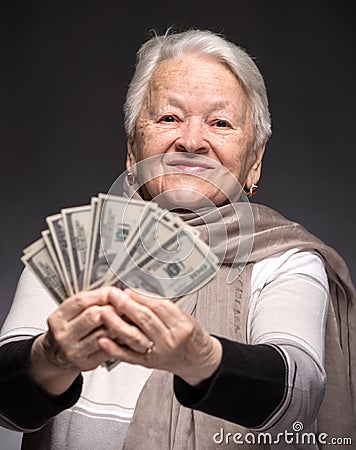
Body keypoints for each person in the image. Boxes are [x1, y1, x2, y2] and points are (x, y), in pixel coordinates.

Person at [0, 28, 355, 450]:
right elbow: (6, 405)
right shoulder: (77, 249)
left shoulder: (287, 260)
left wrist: (200, 358)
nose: (190, 140)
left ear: (254, 163)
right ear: (133, 150)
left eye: (220, 123)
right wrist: (53, 358)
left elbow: (301, 393)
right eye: (169, 117)